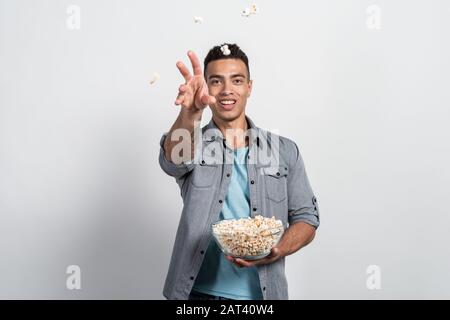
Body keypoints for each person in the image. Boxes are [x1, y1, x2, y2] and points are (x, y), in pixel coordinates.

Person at [158, 43, 320, 300]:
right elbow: (173, 163)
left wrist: (276, 250)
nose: (226, 90)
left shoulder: (283, 150)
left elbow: (307, 219)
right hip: (197, 294)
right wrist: (190, 113)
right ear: (206, 88)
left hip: (264, 297)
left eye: (236, 80)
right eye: (216, 81)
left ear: (249, 87)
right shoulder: (193, 144)